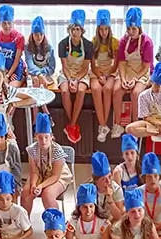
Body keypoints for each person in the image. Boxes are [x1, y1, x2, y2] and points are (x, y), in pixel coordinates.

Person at [111, 7, 154, 138]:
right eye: (128, 29)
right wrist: (123, 79)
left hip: (142, 72)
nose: (131, 32)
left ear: (140, 27)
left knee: (136, 93)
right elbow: (122, 63)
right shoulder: (124, 41)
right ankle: (117, 125)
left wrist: (135, 79)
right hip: (127, 70)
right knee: (117, 90)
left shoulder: (147, 42)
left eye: (133, 29)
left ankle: (134, 127)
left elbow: (146, 66)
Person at [21, 112, 73, 216]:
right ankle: (25, 225)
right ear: (35, 136)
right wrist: (33, 185)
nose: (43, 141)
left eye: (46, 137)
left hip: (58, 176)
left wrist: (41, 186)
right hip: (40, 174)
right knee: (26, 193)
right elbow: (34, 171)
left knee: (47, 194)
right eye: (40, 137)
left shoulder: (57, 150)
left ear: (51, 137)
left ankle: (56, 225)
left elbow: (55, 176)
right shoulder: (32, 150)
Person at [57, 10, 93, 145]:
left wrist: (77, 80)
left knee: (81, 90)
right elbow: (64, 66)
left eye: (77, 29)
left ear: (82, 30)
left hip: (81, 73)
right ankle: (73, 124)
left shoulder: (88, 45)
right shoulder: (63, 44)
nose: (75, 32)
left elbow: (85, 67)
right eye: (72, 29)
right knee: (65, 91)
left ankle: (71, 124)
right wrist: (70, 79)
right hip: (67, 72)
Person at [90, 10, 119, 143]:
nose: (104, 32)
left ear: (109, 28)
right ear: (97, 29)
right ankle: (103, 126)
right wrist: (99, 75)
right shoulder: (93, 42)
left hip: (111, 72)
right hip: (97, 72)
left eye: (106, 29)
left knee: (107, 89)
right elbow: (92, 64)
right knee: (96, 89)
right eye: (101, 29)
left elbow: (116, 63)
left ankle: (103, 125)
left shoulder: (114, 42)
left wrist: (107, 75)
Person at [0, 5, 26, 87]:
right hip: (2, 68)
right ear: (0, 23)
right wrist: (5, 73)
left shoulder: (19, 37)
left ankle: (23, 78)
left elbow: (17, 60)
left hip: (16, 68)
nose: (7, 26)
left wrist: (8, 75)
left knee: (10, 88)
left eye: (9, 23)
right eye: (4, 23)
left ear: (13, 23)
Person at [25, 17, 56, 104]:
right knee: (35, 81)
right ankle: (36, 111)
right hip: (33, 74)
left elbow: (52, 68)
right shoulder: (27, 47)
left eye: (41, 34)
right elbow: (30, 65)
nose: (39, 37)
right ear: (32, 35)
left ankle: (43, 108)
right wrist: (39, 75)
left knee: (41, 83)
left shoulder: (49, 47)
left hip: (46, 74)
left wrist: (41, 74)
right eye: (36, 34)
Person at [91, 151, 125, 221]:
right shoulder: (89, 189)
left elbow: (120, 218)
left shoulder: (117, 190)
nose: (108, 181)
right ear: (96, 181)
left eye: (109, 176)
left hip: (111, 222)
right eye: (103, 179)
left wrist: (110, 200)